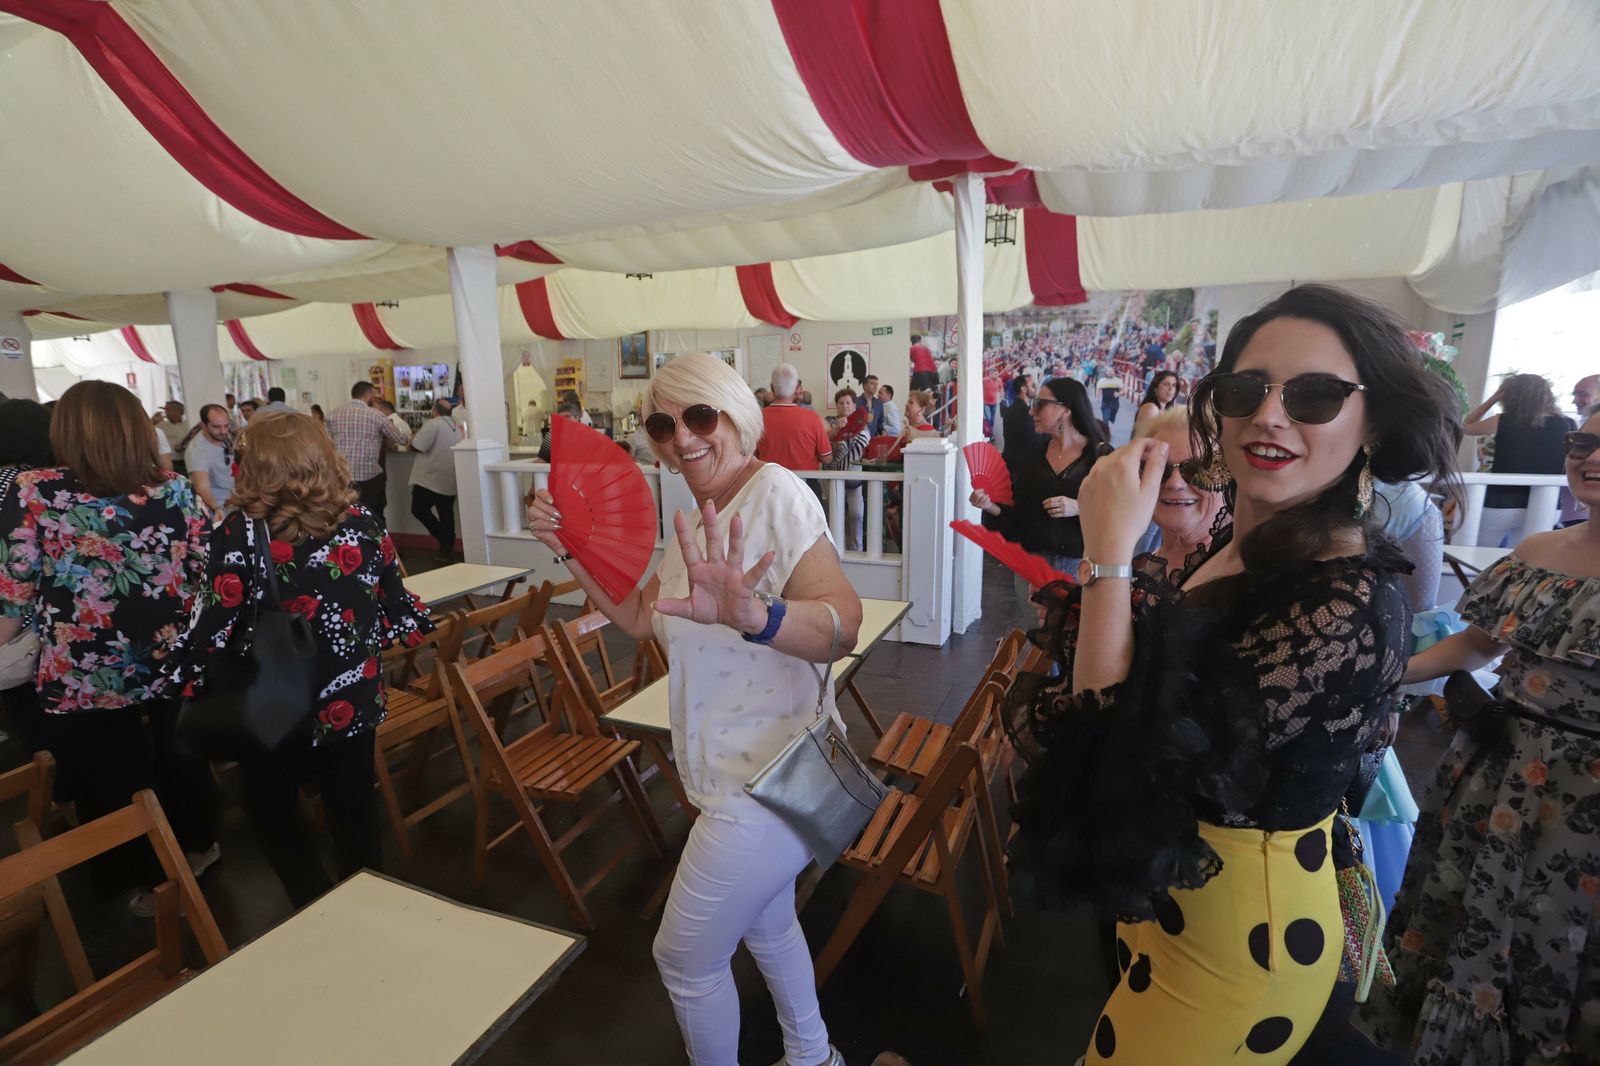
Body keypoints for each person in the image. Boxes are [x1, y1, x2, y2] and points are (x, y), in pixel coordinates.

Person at [1008, 283, 1460, 1065]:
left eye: (1316, 395)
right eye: (1246, 389)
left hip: (1246, 937)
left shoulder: (1347, 597)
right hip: (1178, 901)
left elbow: (1125, 759)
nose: (1271, 415)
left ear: (1374, 423)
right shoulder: (1240, 548)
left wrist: (1107, 558)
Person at [525, 352, 858, 1066]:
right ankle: (814, 1056)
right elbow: (643, 616)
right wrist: (567, 547)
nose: (683, 439)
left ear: (736, 413)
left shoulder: (775, 492)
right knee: (768, 925)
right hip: (731, 772)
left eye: (699, 417)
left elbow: (843, 625)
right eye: (662, 426)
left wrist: (756, 614)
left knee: (683, 960)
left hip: (767, 781)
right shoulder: (697, 517)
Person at [1356, 411, 1600, 1062]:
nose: (1590, 456)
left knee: (1561, 941)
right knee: (1467, 915)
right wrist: (1378, 680)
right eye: (1584, 442)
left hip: (1584, 801)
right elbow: (1473, 645)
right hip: (1499, 772)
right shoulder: (1539, 554)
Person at [159, 412, 432, 909]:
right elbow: (397, 602)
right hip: (351, 694)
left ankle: (312, 901)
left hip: (273, 699)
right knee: (354, 807)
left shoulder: (239, 533)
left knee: (270, 805)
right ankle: (371, 905)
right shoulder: (362, 522)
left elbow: (215, 624)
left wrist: (181, 667)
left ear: (252, 466)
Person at [0, 381, 219, 913]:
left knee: (106, 775)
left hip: (84, 666)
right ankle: (198, 846)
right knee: (179, 753)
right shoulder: (174, 489)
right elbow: (203, 573)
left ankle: (134, 883)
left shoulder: (36, 490)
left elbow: (14, 590)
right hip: (170, 654)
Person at [971, 377, 1105, 624]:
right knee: (1038, 642)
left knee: (1071, 646)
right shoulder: (1033, 456)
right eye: (1034, 402)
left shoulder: (1101, 457)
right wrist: (989, 505)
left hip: (1079, 565)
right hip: (1031, 563)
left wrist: (1079, 507)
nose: (1032, 410)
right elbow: (1018, 513)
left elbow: (1120, 514)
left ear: (1065, 410)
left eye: (1040, 404)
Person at [0, 399, 54, 753]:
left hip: (16, 616)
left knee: (30, 719)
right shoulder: (59, 479)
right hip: (61, 616)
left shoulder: (9, 483)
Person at [1464, 373, 1573, 546]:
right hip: (1547, 501)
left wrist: (1493, 398)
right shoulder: (1567, 424)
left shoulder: (1504, 421)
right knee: (1525, 561)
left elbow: (1467, 427)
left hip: (1501, 502)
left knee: (1478, 554)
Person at [1129, 407, 1225, 577]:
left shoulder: (1240, 574)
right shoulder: (1142, 566)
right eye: (1160, 469)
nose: (1175, 483)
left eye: (1195, 469)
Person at [327, 381, 410, 522]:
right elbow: (400, 439)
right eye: (374, 395)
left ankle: (353, 544)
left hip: (342, 476)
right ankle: (378, 543)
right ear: (367, 395)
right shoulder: (375, 415)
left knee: (346, 517)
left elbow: (326, 442)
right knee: (374, 516)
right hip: (368, 477)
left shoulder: (333, 414)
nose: (375, 398)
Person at [756, 364, 832, 473]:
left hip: (769, 483)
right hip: (804, 485)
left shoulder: (757, 418)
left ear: (772, 387)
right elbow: (827, 458)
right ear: (797, 388)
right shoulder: (812, 418)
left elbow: (751, 455)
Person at [409, 399, 459, 562]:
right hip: (450, 476)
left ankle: (443, 539)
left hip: (430, 478)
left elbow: (417, 445)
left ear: (435, 410)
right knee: (446, 512)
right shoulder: (456, 425)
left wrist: (411, 440)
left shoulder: (433, 424)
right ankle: (447, 548)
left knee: (418, 509)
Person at [829, 388, 870, 552]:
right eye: (841, 403)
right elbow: (823, 444)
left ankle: (856, 551)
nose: (844, 406)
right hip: (834, 480)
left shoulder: (863, 425)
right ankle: (835, 551)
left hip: (855, 479)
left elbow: (866, 446)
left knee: (857, 515)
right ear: (836, 406)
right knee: (835, 517)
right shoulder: (829, 423)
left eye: (848, 403)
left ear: (854, 405)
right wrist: (837, 430)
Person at [184, 403, 235, 520]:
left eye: (226, 426)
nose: (223, 431)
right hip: (217, 508)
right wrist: (216, 508)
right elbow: (201, 486)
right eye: (216, 427)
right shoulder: (196, 450)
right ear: (203, 425)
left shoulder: (227, 435)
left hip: (237, 501)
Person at [1000, 375, 1042, 469]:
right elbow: (1034, 439)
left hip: (1009, 461)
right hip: (1021, 466)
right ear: (1023, 389)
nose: (1035, 388)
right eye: (1032, 385)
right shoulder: (1025, 412)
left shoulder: (1009, 410)